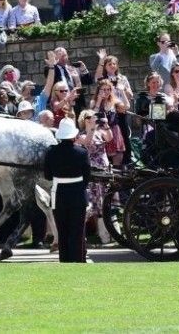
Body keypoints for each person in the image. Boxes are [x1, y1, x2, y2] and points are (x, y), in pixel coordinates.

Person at [43, 117, 90, 263]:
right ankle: (78, 260)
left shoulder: (51, 152)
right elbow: (87, 176)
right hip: (77, 193)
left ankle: (65, 261)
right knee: (77, 231)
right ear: (73, 135)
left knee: (62, 231)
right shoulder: (82, 152)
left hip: (59, 194)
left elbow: (48, 175)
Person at [76, 110, 112, 244]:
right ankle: (80, 236)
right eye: (90, 117)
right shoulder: (80, 135)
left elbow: (109, 138)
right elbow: (87, 143)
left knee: (104, 203)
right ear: (84, 120)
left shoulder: (101, 132)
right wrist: (91, 129)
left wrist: (106, 124)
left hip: (104, 170)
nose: (93, 119)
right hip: (91, 173)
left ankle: (105, 235)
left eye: (94, 117)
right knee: (89, 205)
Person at [44, 47, 94, 118]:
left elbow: (88, 81)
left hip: (76, 103)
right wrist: (53, 63)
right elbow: (49, 72)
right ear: (55, 57)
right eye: (60, 55)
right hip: (61, 103)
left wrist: (83, 69)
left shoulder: (73, 69)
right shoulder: (52, 69)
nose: (63, 57)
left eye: (65, 55)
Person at [90, 80, 126, 166]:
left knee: (118, 156)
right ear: (99, 90)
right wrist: (99, 100)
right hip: (101, 131)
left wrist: (122, 92)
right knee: (102, 156)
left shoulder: (114, 101)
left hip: (114, 130)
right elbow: (93, 115)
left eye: (108, 89)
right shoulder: (93, 102)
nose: (106, 92)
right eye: (103, 89)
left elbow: (126, 107)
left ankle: (117, 174)